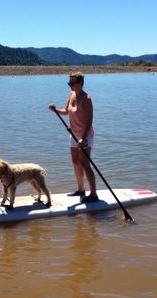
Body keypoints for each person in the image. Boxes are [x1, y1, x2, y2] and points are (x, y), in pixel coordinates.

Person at [48, 72, 98, 203]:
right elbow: (66, 111)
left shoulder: (87, 99)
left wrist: (84, 138)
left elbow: (89, 121)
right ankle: (80, 189)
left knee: (85, 163)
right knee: (76, 162)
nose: (69, 85)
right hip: (74, 134)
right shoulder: (71, 95)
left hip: (86, 136)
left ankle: (93, 194)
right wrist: (55, 110)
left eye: (71, 83)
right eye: (68, 83)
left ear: (80, 83)